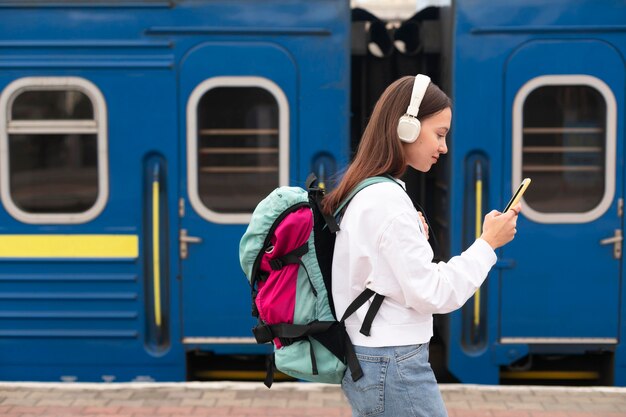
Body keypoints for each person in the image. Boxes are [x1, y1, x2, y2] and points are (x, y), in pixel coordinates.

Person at [322, 74, 520, 417]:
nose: (444, 147)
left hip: (372, 357)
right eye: (439, 134)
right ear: (407, 127)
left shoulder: (366, 189)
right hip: (392, 362)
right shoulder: (388, 200)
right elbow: (433, 293)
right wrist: (488, 244)